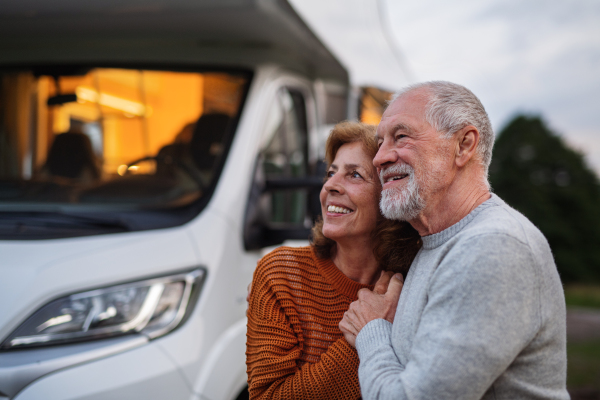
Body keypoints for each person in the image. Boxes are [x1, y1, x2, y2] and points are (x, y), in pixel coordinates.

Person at [339, 81, 569, 400]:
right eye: (380, 143)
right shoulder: (436, 241)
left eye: (401, 136)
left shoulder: (493, 246)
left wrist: (371, 331)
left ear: (463, 145)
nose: (379, 158)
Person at [245, 122, 421, 400]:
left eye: (354, 175)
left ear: (389, 197)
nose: (330, 186)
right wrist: (368, 333)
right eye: (331, 172)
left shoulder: (415, 284)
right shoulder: (281, 274)